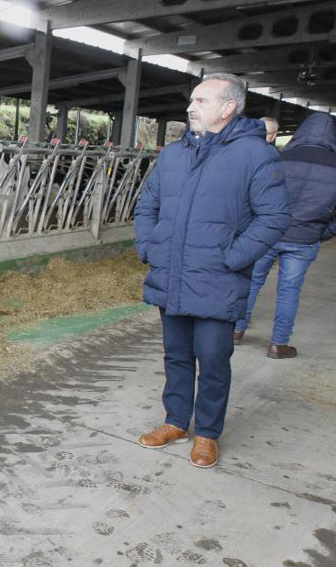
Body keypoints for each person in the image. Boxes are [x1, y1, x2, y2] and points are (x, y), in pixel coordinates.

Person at [134, 72, 290, 469]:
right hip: (171, 273)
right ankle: (175, 422)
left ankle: (207, 433)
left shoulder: (256, 155)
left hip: (218, 278)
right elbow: (146, 205)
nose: (191, 107)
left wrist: (232, 257)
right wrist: (149, 245)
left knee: (214, 359)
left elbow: (273, 218)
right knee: (176, 356)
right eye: (192, 100)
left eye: (201, 101)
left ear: (228, 107)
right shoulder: (173, 154)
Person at [234, 112, 336, 358]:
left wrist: (258, 226)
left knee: (252, 282)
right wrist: (321, 233)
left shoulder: (280, 157)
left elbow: (255, 195)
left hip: (269, 233)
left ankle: (236, 330)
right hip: (305, 238)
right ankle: (278, 344)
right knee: (289, 290)